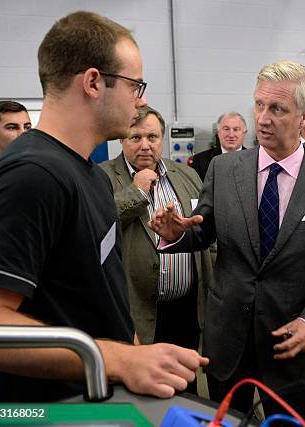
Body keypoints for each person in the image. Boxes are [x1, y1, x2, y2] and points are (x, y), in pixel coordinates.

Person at [0, 11, 207, 402]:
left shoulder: (91, 176)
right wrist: (120, 360)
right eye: (136, 85)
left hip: (101, 395)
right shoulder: (33, 176)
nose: (143, 99)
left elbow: (103, 292)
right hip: (54, 406)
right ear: (93, 82)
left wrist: (135, 352)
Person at [149, 60, 305, 418]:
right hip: (227, 338)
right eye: (259, 105)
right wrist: (177, 236)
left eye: (277, 108)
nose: (263, 118)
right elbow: (205, 229)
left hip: (289, 343)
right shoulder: (224, 169)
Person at [100, 106, 213, 394]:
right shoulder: (101, 177)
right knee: (146, 391)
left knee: (185, 385)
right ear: (121, 141)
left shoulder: (186, 175)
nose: (145, 145)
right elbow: (96, 228)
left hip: (187, 308)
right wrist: (135, 192)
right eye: (135, 137)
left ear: (162, 138)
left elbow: (205, 229)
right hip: (135, 310)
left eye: (152, 136)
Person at [192, 111, 247, 180]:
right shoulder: (200, 161)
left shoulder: (255, 161)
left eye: (236, 129)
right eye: (226, 129)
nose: (231, 135)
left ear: (244, 133)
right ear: (218, 133)